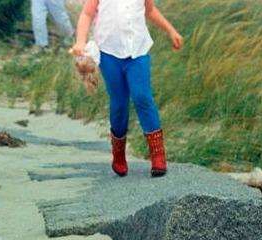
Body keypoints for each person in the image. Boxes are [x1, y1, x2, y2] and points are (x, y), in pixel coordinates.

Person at [70, 0, 183, 177]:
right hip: (109, 53)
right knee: (119, 103)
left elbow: (150, 10)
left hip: (138, 51)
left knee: (142, 97)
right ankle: (119, 152)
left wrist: (171, 30)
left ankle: (158, 155)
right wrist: (80, 41)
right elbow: (87, 14)